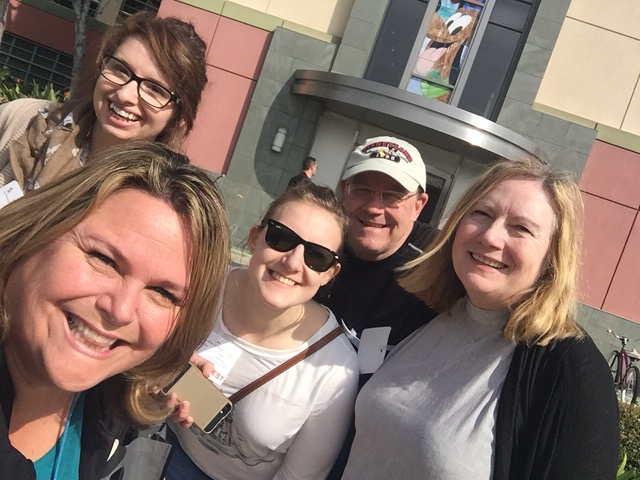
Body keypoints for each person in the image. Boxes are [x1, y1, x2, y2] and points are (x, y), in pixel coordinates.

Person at [342, 157, 620, 479]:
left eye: (521, 228)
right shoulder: (427, 310)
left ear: (553, 256)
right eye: (482, 214)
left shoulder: (569, 372)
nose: (490, 237)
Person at [0, 142, 231, 479]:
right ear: (36, 232)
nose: (120, 310)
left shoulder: (110, 408)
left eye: (162, 293)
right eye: (104, 259)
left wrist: (151, 371)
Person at [166, 183, 359, 480]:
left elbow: (299, 476)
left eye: (317, 256)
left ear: (329, 274)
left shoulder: (334, 367)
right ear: (255, 237)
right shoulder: (202, 286)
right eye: (281, 238)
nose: (292, 262)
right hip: (158, 450)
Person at [0, 11, 207, 191]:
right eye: (120, 69)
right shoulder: (24, 120)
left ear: (179, 117)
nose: (124, 95)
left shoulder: (155, 200)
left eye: (154, 89)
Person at [322, 136, 437, 351]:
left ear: (418, 207)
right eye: (362, 189)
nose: (373, 208)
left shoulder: (440, 262)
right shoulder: (316, 243)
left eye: (393, 196)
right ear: (344, 191)